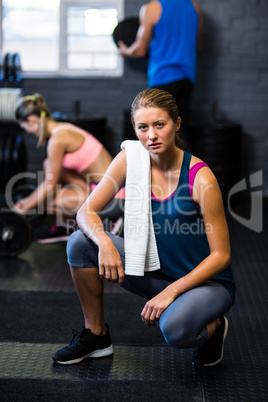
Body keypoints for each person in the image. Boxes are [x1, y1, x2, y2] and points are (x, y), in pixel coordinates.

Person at [52, 88, 236, 367]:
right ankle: (96, 335)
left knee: (176, 330)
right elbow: (85, 211)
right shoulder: (131, 159)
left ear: (177, 123)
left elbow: (221, 256)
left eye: (160, 125)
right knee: (80, 243)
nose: (151, 135)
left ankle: (215, 327)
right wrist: (104, 242)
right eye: (143, 127)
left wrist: (171, 292)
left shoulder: (201, 179)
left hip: (205, 284)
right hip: (156, 272)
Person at [13, 93, 124, 243]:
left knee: (44, 201)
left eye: (24, 126)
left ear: (31, 120)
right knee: (49, 165)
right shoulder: (63, 128)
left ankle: (105, 221)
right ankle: (67, 225)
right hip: (104, 188)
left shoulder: (57, 139)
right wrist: (28, 201)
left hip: (113, 198)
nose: (27, 131)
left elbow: (49, 185)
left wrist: (21, 209)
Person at [118, 0, 203, 137]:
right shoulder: (194, 7)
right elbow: (197, 45)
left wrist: (126, 51)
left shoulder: (151, 8)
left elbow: (140, 50)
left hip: (163, 78)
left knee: (156, 134)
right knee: (179, 131)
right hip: (187, 78)